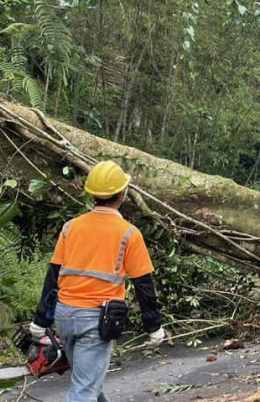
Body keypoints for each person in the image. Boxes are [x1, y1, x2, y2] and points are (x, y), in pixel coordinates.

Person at [30, 160, 164, 402]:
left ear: (92, 195)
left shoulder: (70, 228)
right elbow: (144, 285)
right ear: (122, 194)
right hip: (96, 321)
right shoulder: (129, 233)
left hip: (65, 317)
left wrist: (41, 318)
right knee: (84, 390)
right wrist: (153, 325)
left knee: (88, 382)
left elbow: (53, 275)